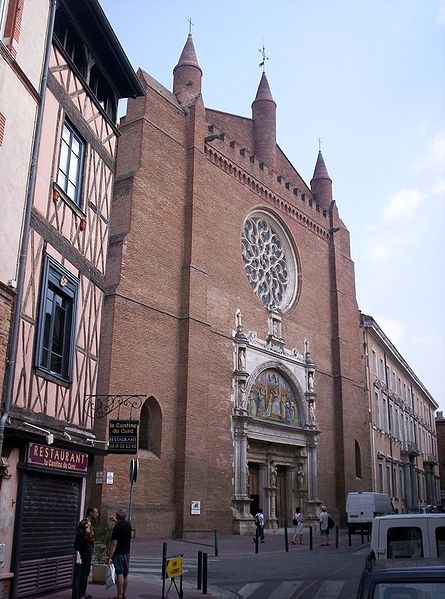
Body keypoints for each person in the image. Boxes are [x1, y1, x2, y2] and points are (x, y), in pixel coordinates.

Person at [74, 506, 99, 599]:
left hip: (85, 547)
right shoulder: (87, 521)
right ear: (91, 513)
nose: (97, 515)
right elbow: (87, 530)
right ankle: (81, 594)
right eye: (96, 513)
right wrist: (90, 535)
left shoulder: (86, 521)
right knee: (85, 570)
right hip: (86, 548)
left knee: (85, 570)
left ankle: (82, 592)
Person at [108, 510, 132, 599]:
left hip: (118, 553)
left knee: (119, 573)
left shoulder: (117, 527)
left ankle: (119, 595)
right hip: (127, 552)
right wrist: (116, 521)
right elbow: (122, 525)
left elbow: (114, 543)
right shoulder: (128, 524)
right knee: (126, 574)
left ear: (117, 517)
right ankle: (124, 594)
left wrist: (110, 557)